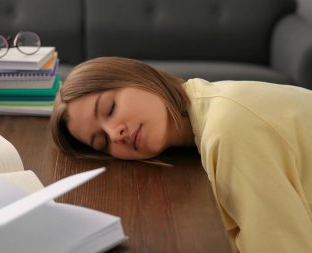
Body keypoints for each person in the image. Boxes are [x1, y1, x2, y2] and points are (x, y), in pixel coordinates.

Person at [50, 57, 312, 253]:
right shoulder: (204, 101)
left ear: (137, 77)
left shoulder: (229, 128)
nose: (115, 133)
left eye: (110, 108)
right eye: (102, 142)